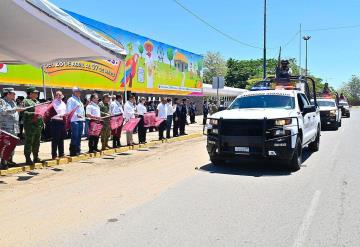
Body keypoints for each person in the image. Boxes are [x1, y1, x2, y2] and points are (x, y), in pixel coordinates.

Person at [0, 88, 24, 169]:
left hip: (14, 128)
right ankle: (3, 162)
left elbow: (15, 112)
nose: (15, 95)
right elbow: (2, 111)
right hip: (5, 128)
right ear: (8, 94)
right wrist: (15, 110)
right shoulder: (2, 101)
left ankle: (8, 160)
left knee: (12, 146)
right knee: (4, 145)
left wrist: (19, 110)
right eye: (13, 94)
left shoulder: (13, 102)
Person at [23, 87, 43, 165]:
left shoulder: (37, 101)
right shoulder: (25, 101)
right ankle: (28, 158)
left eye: (37, 93)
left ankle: (36, 157)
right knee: (29, 142)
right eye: (35, 93)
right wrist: (34, 114)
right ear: (30, 93)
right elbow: (23, 113)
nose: (36, 94)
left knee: (37, 142)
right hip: (30, 126)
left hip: (38, 125)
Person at [66, 87, 85, 156]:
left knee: (79, 135)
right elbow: (69, 110)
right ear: (74, 92)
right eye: (78, 91)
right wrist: (77, 115)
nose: (79, 93)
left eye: (80, 91)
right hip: (74, 120)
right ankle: (73, 151)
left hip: (80, 120)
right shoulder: (71, 99)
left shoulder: (79, 100)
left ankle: (78, 149)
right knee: (75, 135)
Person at [50, 91, 67, 159]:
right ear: (55, 96)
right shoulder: (53, 103)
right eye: (57, 95)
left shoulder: (63, 103)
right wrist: (60, 115)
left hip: (62, 122)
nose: (59, 96)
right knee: (55, 139)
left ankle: (61, 153)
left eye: (60, 95)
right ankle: (54, 155)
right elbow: (52, 113)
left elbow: (65, 111)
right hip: (55, 121)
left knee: (61, 138)